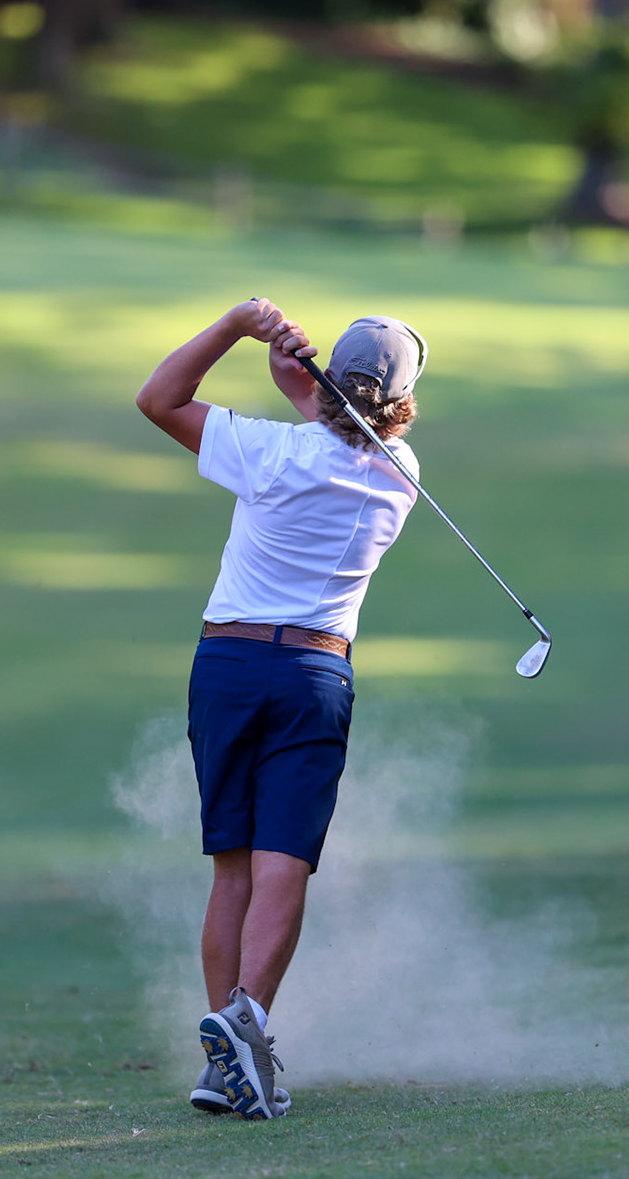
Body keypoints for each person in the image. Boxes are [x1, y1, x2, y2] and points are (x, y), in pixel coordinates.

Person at [134, 297, 428, 1120]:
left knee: (233, 865)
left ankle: (224, 1057)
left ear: (330, 383)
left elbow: (158, 399)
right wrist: (302, 370)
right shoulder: (402, 477)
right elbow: (333, 416)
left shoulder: (264, 451)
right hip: (312, 676)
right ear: (402, 404)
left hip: (225, 665)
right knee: (282, 864)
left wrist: (237, 327)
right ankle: (247, 1031)